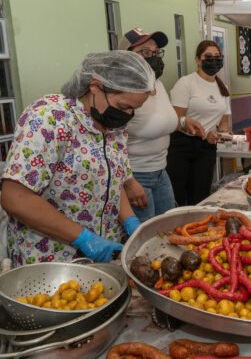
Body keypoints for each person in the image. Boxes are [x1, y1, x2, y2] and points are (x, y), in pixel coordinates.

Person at [0, 51, 155, 265]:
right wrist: (83, 238)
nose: (127, 115)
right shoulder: (50, 119)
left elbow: (110, 180)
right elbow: (15, 198)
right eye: (123, 107)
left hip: (103, 255)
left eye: (134, 109)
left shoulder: (114, 127)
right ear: (95, 86)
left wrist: (129, 220)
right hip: (52, 260)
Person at [119, 28, 205, 222]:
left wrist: (183, 122)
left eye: (156, 52)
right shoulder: (122, 92)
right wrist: (128, 182)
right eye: (146, 52)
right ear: (126, 57)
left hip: (160, 170)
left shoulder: (157, 84)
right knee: (146, 238)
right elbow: (111, 142)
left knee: (168, 228)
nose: (154, 57)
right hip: (137, 175)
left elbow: (162, 120)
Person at [167, 40, 232, 206]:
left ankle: (196, 230)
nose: (214, 61)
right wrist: (202, 133)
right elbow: (176, 120)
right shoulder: (186, 83)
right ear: (197, 60)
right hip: (181, 147)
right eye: (208, 57)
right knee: (178, 197)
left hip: (207, 148)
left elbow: (224, 123)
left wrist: (221, 135)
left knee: (201, 197)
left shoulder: (222, 87)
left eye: (217, 57)